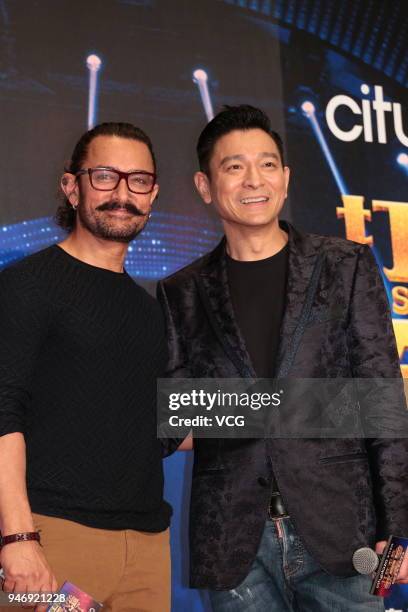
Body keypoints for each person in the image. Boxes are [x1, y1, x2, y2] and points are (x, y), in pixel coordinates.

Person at [157, 105, 408, 611]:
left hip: (347, 540)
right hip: (233, 550)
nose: (254, 179)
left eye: (268, 164)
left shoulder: (345, 265)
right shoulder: (180, 291)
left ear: (287, 178)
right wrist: (327, 407)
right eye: (234, 166)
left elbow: (380, 401)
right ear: (205, 185)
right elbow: (175, 418)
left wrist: (397, 535)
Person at [0, 122, 172, 611]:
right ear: (71, 187)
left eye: (138, 180)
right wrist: (17, 538)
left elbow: (161, 423)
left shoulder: (149, 309)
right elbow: (2, 408)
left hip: (147, 549)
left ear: (153, 194)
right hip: (52, 540)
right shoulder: (27, 284)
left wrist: (301, 410)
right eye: (104, 176)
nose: (122, 193)